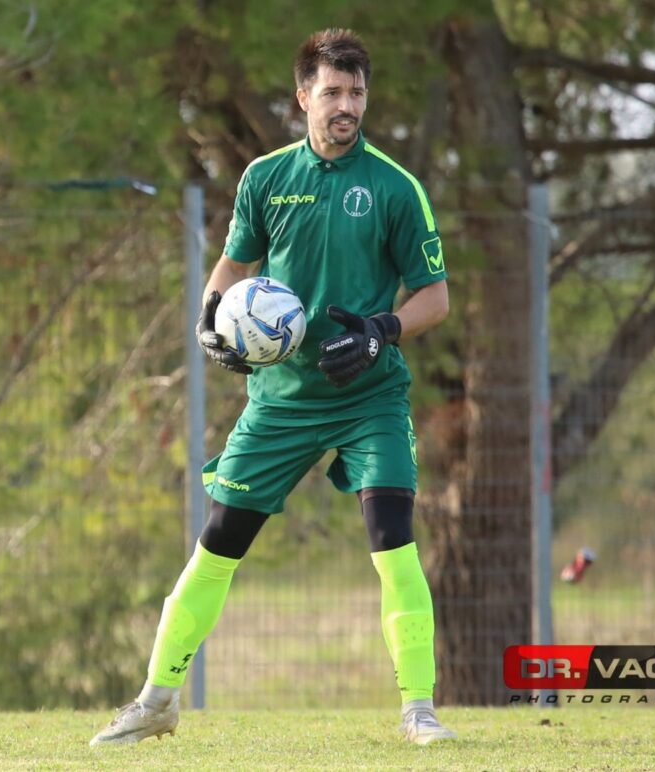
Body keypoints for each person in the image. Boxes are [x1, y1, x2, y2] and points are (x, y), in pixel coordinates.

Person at [91, 27, 454, 747]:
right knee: (218, 543)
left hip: (369, 397)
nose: (346, 106)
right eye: (332, 92)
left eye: (356, 93)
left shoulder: (395, 187)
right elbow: (234, 267)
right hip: (281, 400)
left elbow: (435, 297)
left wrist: (381, 329)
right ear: (303, 98)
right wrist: (209, 320)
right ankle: (157, 701)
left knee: (393, 541)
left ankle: (419, 710)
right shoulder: (264, 177)